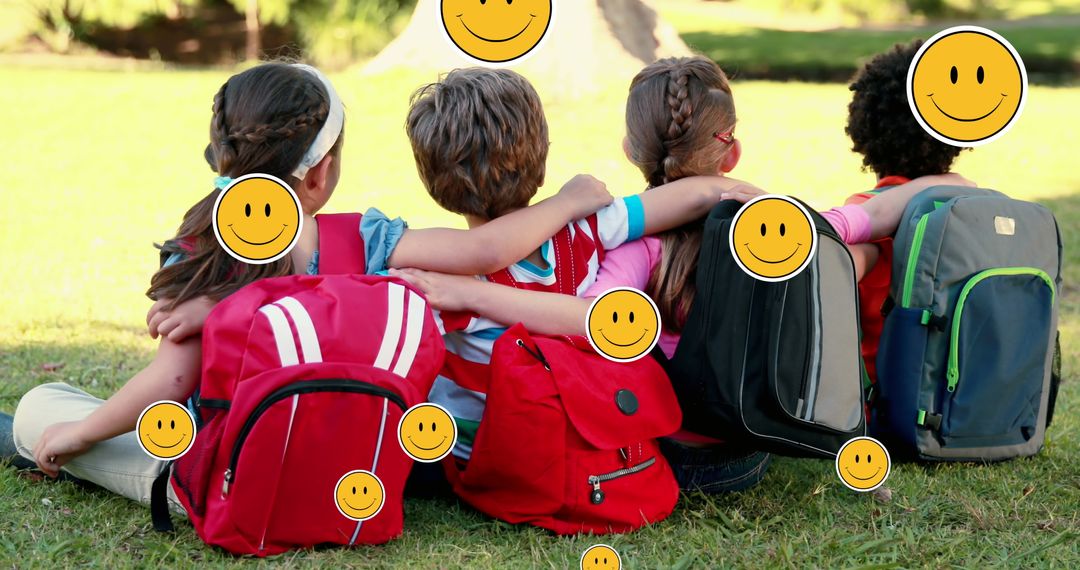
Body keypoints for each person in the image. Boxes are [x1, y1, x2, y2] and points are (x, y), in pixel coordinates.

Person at [0, 61, 613, 510]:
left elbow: (173, 380)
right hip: (359, 469)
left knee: (41, 410)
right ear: (322, 172)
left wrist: (81, 434)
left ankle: (51, 436)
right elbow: (484, 250)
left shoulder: (202, 246)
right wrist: (571, 199)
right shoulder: (369, 241)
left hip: (233, 477)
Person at [392, 56, 972, 493]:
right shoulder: (756, 231)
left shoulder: (621, 251)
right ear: (732, 149)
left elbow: (592, 321)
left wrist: (470, 292)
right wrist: (939, 188)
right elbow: (867, 216)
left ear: (630, 146)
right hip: (750, 450)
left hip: (641, 453)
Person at [401, 67, 763, 465]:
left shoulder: (437, 280)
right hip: (579, 437)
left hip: (480, 453)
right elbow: (690, 198)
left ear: (433, 184)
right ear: (540, 160)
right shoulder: (590, 229)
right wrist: (739, 194)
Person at [843, 40, 970, 386]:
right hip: (962, 402)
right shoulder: (973, 209)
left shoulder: (865, 212)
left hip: (882, 405)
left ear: (863, 128)